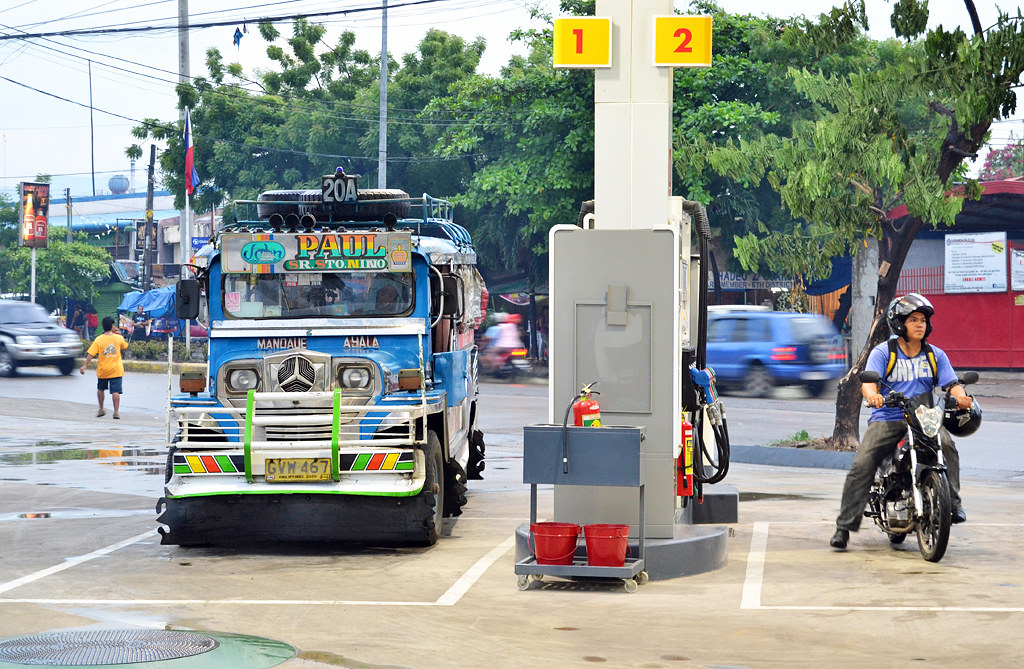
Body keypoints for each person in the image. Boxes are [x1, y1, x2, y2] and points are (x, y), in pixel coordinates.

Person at [830, 293, 973, 550]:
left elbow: (952, 385)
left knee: (946, 445)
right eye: (914, 320)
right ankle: (844, 526)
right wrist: (873, 396)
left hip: (923, 418)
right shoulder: (883, 352)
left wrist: (962, 398)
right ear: (899, 324)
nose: (920, 325)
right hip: (888, 417)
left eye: (923, 320)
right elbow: (869, 383)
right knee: (863, 464)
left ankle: (953, 502)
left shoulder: (935, 355)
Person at [80, 316, 130, 419]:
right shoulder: (118, 338)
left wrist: (85, 366)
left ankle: (101, 408)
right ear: (112, 326)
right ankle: (116, 411)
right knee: (115, 391)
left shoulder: (99, 339)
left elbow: (91, 354)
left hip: (103, 370)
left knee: (101, 389)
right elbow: (125, 346)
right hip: (116, 369)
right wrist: (119, 333)